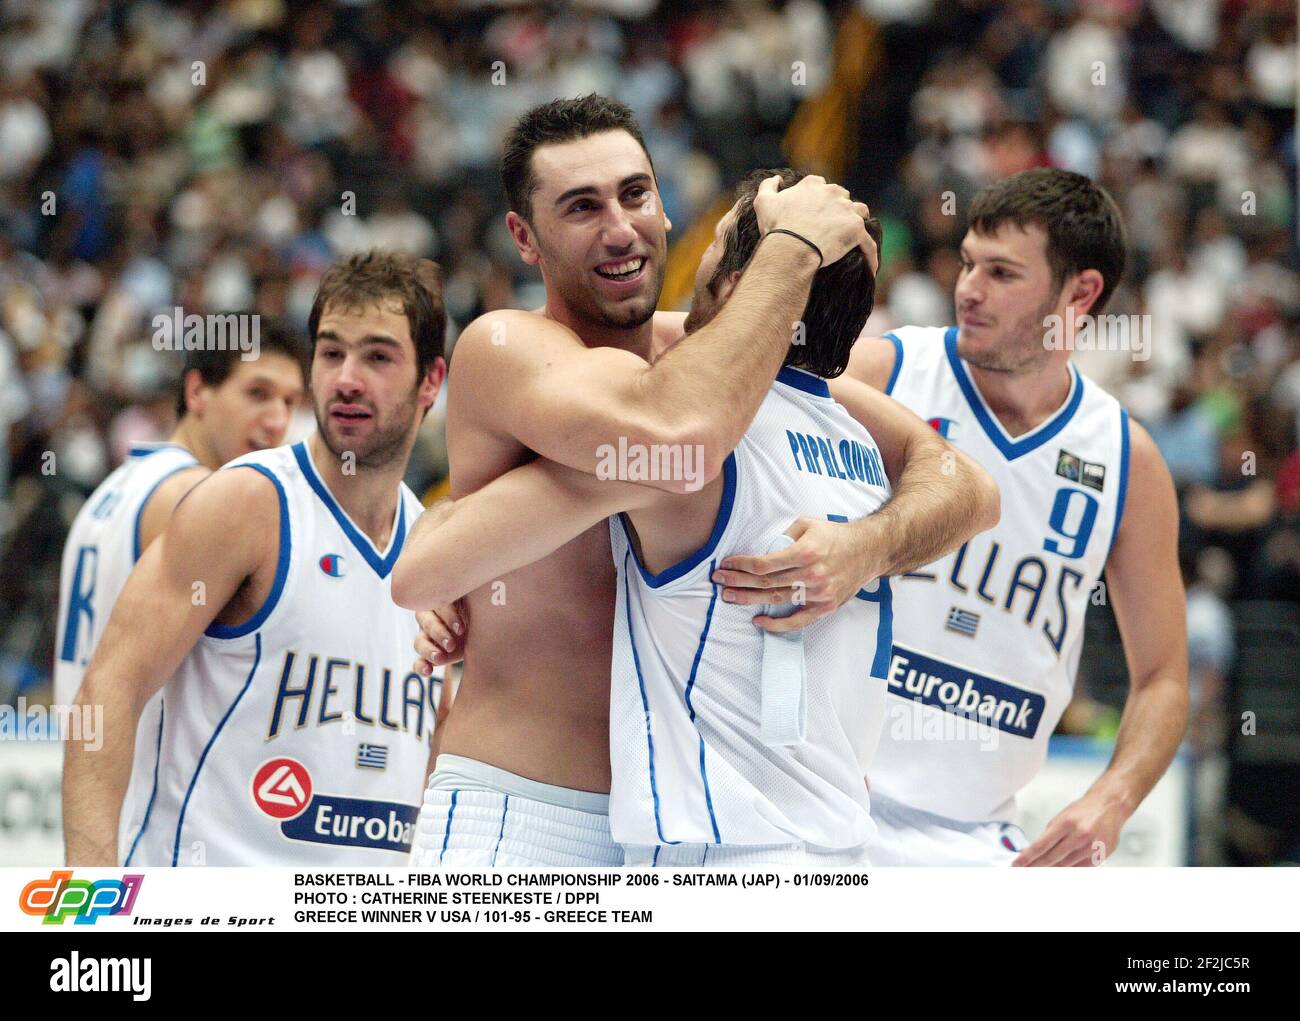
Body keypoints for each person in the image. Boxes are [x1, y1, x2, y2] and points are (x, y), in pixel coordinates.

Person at [395, 167, 999, 867]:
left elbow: (418, 575)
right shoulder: (860, 443)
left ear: (745, 287)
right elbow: (969, 484)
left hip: (719, 856)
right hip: (839, 850)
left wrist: (437, 528)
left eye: (713, 245)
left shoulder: (686, 456)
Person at [840, 167, 1188, 865]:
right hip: (824, 812)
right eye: (969, 262)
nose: (968, 288)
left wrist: (1111, 798)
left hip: (978, 842)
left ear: (1079, 293)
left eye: (1002, 272)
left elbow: (1165, 677)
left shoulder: (1126, 459)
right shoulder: (885, 371)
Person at [63, 251, 448, 866]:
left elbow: (438, 744)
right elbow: (108, 689)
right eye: (330, 353)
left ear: (432, 380)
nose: (347, 378)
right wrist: (90, 897)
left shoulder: (435, 542)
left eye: (378, 356)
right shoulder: (247, 502)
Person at [54, 316, 308, 863]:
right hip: (146, 827)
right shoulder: (197, 499)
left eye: (290, 402)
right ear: (197, 391)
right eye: (258, 394)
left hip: (96, 810)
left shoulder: (112, 490)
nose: (276, 420)